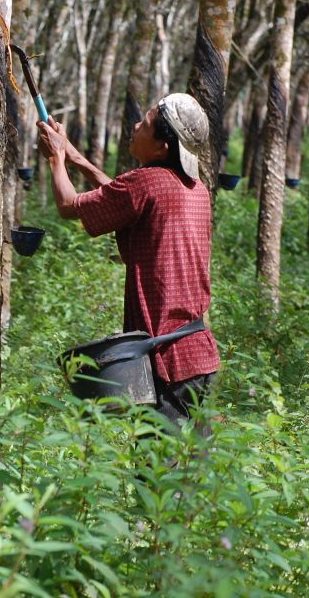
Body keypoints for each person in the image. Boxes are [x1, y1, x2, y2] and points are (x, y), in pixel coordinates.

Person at [36, 93, 220, 426]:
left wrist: (55, 159)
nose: (136, 125)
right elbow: (123, 199)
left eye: (146, 124)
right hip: (199, 356)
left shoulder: (145, 183)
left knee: (158, 474)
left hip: (167, 363)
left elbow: (68, 206)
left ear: (163, 147)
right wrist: (75, 157)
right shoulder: (195, 189)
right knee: (195, 470)